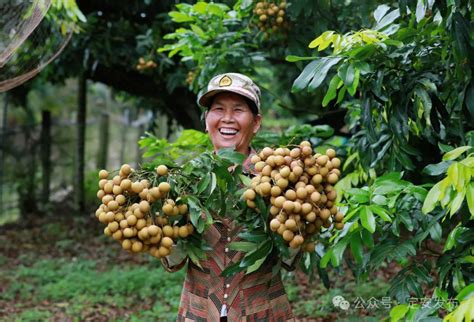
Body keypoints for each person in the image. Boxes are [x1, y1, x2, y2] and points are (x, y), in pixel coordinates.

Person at [162, 73, 299, 321]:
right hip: (199, 313)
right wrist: (161, 222)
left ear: (256, 123)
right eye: (218, 109)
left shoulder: (280, 182)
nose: (227, 118)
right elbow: (175, 260)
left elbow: (290, 257)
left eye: (238, 110)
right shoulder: (183, 182)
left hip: (263, 313)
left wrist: (302, 217)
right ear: (206, 120)